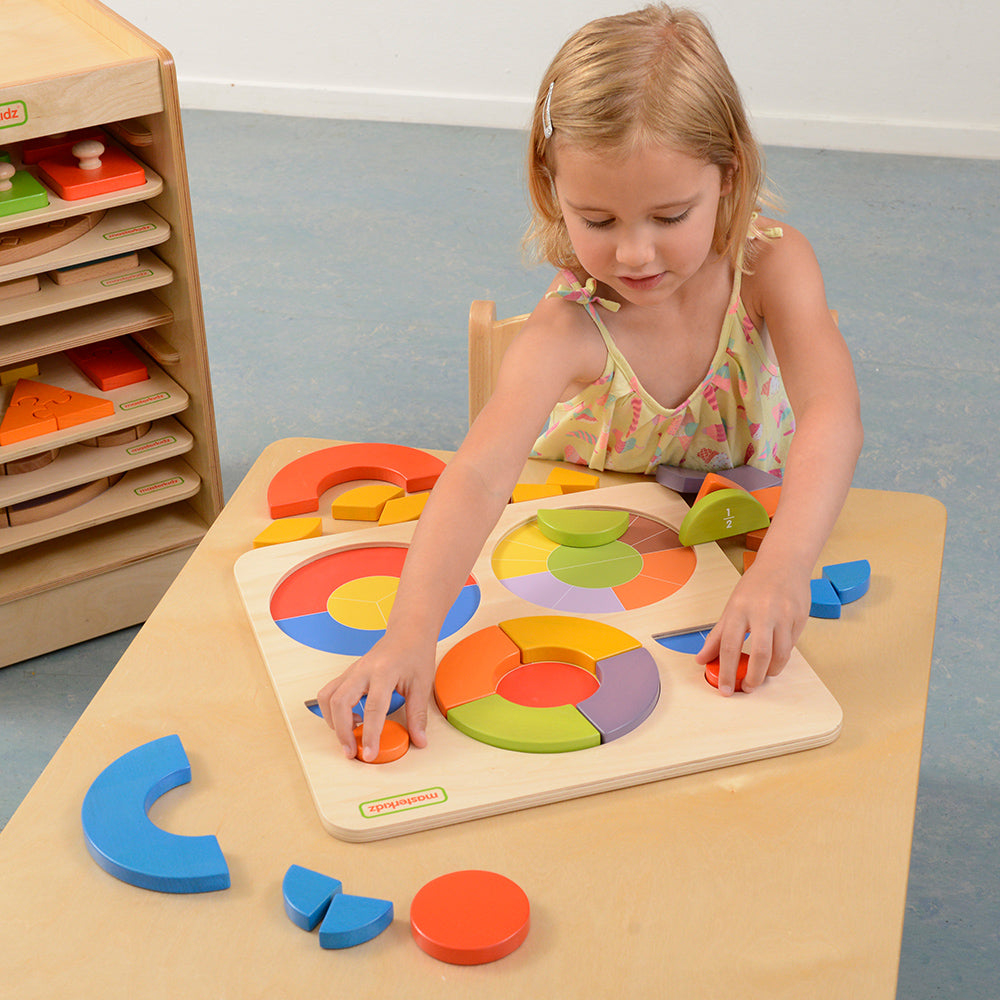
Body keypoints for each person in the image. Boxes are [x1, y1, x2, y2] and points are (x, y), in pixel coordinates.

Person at [317, 4, 862, 761]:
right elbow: (476, 477)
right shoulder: (567, 328)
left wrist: (784, 568)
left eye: (670, 215)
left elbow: (831, 413)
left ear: (729, 174)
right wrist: (409, 635)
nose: (635, 254)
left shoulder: (773, 263)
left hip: (736, 543)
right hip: (583, 559)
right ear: (551, 188)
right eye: (597, 220)